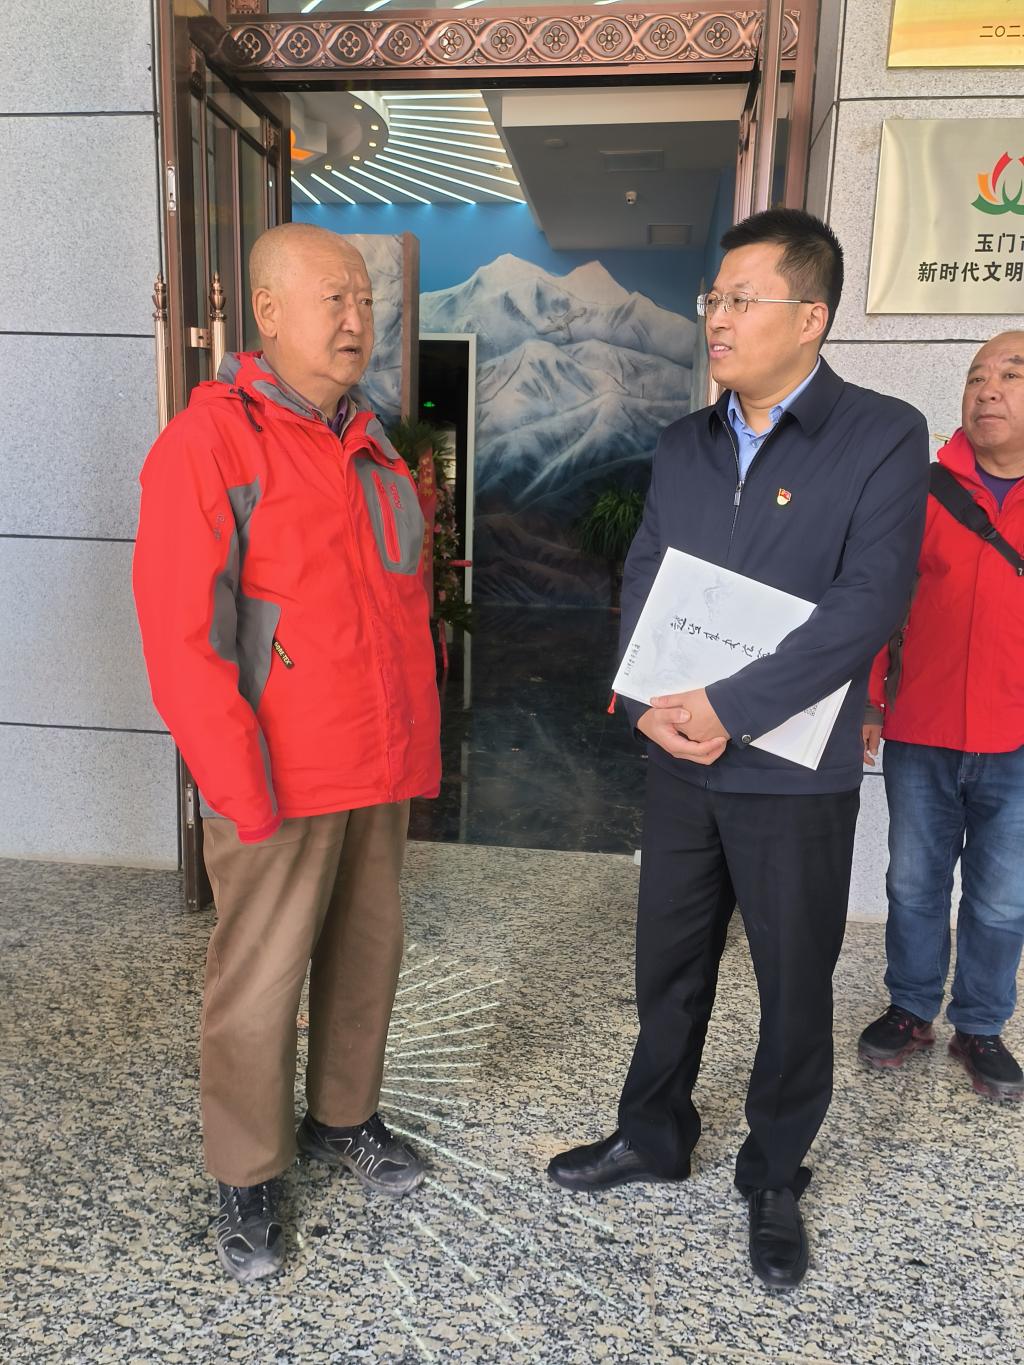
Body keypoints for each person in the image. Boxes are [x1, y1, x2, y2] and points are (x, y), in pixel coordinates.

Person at [548, 209, 930, 1290]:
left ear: (810, 317)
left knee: (793, 981)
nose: (714, 316)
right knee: (667, 965)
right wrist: (644, 699)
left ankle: (773, 1172)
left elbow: (868, 602)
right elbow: (647, 573)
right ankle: (652, 1133)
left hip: (792, 773)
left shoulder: (882, 434)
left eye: (740, 298)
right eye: (712, 298)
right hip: (680, 758)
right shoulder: (686, 442)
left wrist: (731, 705)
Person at [133, 223, 441, 1282]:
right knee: (259, 982)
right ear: (266, 312)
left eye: (365, 300)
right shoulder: (211, 444)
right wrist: (236, 787)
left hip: (374, 767)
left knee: (366, 957)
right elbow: (183, 642)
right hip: (276, 776)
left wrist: (412, 754)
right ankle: (247, 1171)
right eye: (332, 299)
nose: (357, 319)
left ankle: (342, 1118)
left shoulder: (372, 443)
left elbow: (396, 610)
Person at [858, 332, 1024, 1103]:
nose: (988, 389)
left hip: (1017, 741)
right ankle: (911, 1007)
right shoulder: (920, 490)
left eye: (1011, 375)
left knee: (1004, 897)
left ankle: (981, 1025)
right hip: (920, 731)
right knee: (913, 884)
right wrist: (869, 698)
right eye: (976, 376)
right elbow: (877, 600)